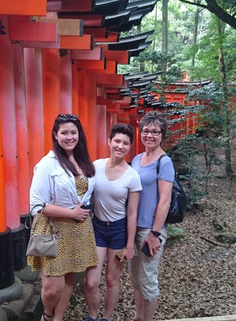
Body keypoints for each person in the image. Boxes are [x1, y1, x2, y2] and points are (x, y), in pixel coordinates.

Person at [28, 114, 98, 321]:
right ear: (55, 136)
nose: (69, 137)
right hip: (52, 230)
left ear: (79, 135)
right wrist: (72, 213)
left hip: (78, 230)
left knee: (68, 279)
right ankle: (47, 316)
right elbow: (36, 205)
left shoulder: (84, 160)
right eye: (64, 133)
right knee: (52, 288)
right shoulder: (47, 164)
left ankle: (58, 319)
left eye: (73, 132)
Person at [84, 124, 142, 321]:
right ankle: (92, 316)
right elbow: (84, 194)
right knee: (91, 282)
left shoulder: (132, 176)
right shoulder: (96, 166)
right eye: (117, 141)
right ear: (109, 141)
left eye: (125, 143)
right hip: (98, 228)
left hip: (119, 230)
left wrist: (129, 245)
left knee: (111, 279)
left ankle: (106, 318)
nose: (120, 146)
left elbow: (132, 212)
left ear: (130, 147)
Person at [128, 111, 174, 321]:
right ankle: (139, 316)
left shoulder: (164, 162)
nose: (150, 135)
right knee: (135, 278)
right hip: (133, 228)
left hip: (149, 229)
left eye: (155, 132)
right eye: (146, 130)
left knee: (148, 279)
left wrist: (155, 233)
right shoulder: (137, 158)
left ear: (162, 135)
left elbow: (164, 200)